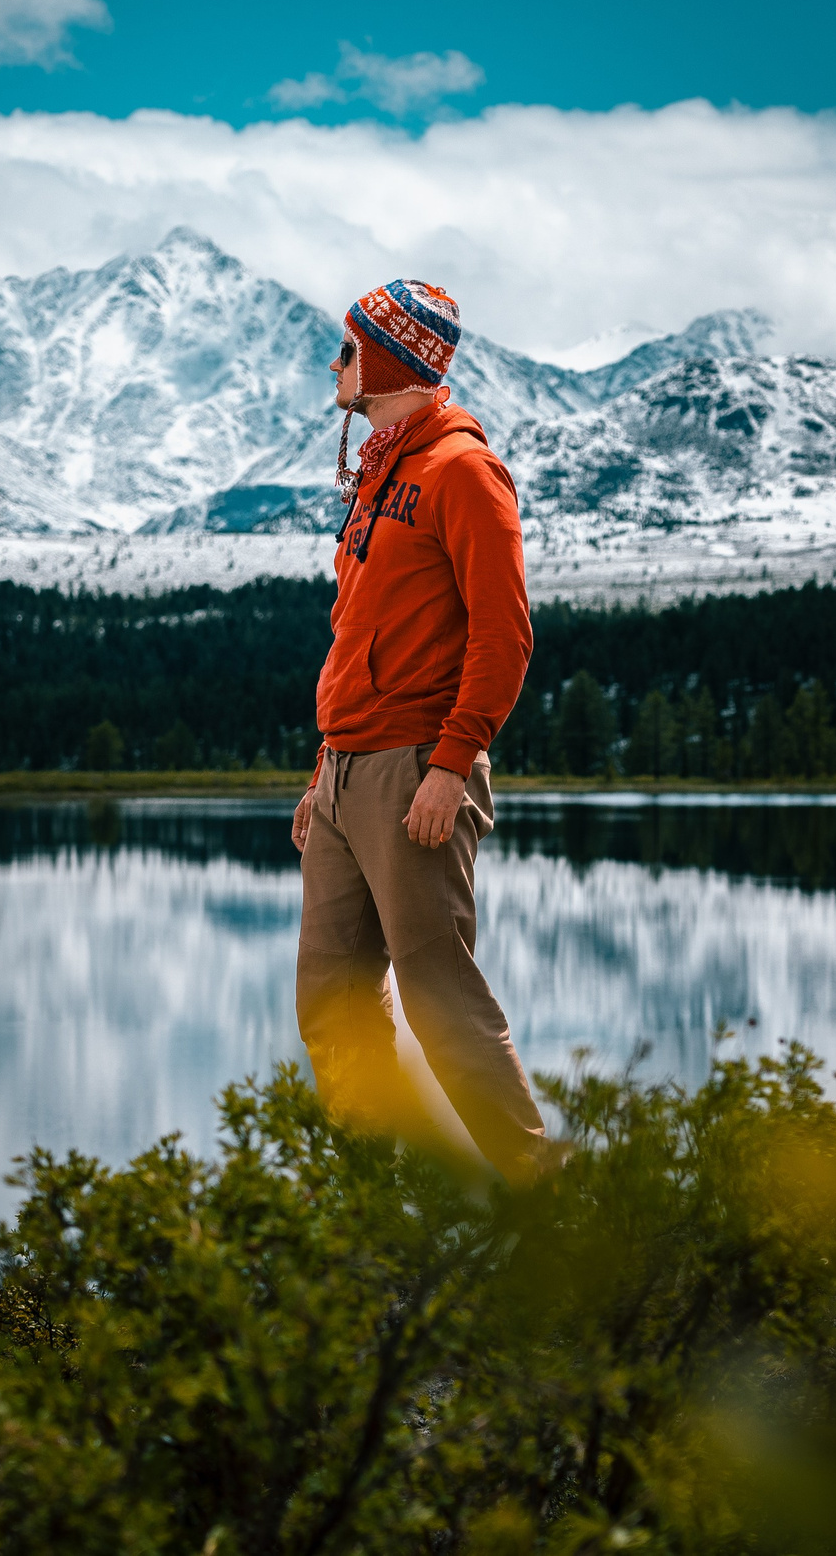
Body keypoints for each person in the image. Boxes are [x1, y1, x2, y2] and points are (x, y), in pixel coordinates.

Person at [290, 278, 556, 1181]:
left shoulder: (462, 471)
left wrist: (451, 764)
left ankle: (549, 1209)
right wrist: (323, 771)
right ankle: (370, 1203)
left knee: (442, 1001)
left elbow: (504, 635)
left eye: (349, 349)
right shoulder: (380, 474)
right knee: (331, 1000)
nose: (335, 364)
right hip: (344, 773)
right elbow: (356, 634)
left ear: (391, 361)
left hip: (416, 773)